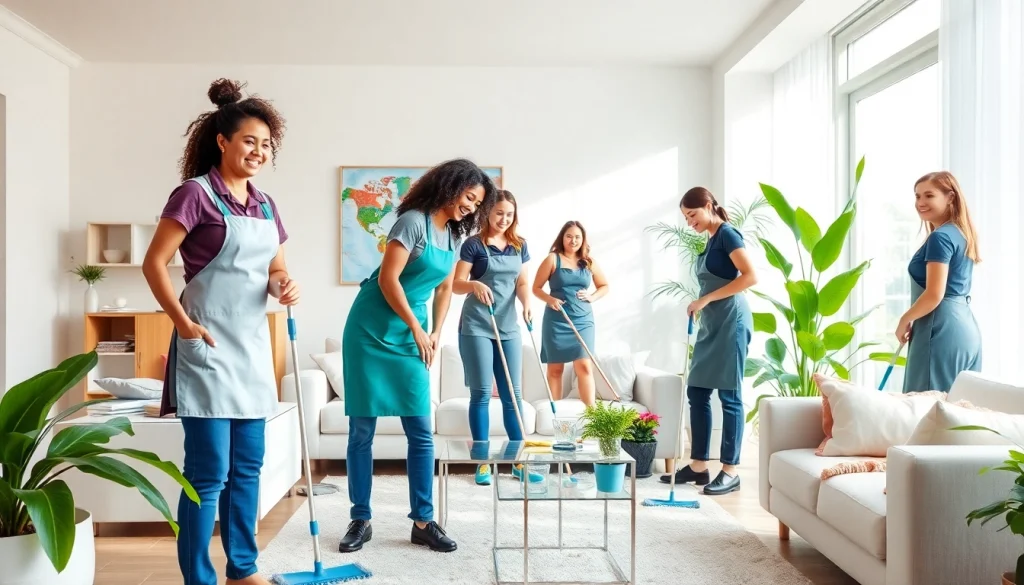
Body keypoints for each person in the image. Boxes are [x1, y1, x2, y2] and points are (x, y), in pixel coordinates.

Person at [143, 78, 298, 585]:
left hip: (251, 350)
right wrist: (183, 324)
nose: (258, 151)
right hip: (205, 348)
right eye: (250, 141)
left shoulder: (266, 205)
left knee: (248, 469)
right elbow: (154, 263)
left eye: (266, 144)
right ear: (223, 141)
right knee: (208, 473)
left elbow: (275, 269)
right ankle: (198, 578)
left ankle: (243, 568)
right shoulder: (195, 194)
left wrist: (283, 285)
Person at [338, 158, 496, 554]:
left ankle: (423, 521)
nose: (471, 208)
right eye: (469, 197)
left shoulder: (453, 236)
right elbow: (388, 279)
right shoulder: (412, 222)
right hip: (370, 329)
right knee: (362, 432)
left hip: (414, 333)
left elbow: (443, 289)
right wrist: (415, 326)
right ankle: (360, 519)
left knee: (421, 431)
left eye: (477, 204)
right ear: (450, 186)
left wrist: (437, 330)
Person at [660, 187, 755, 496]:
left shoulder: (728, 234)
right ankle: (699, 465)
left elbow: (750, 276)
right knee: (698, 391)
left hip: (732, 322)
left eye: (693, 215)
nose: (690, 222)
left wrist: (706, 299)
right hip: (712, 324)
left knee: (730, 395)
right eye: (686, 218)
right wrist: (701, 303)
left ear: (709, 205)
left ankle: (730, 471)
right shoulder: (712, 239)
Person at [453, 189, 533, 486]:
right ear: (487, 212)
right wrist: (473, 285)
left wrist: (526, 303)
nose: (504, 219)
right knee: (482, 394)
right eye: (499, 213)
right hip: (476, 326)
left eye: (509, 214)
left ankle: (519, 462)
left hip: (508, 327)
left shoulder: (519, 245)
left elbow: (522, 282)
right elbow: (456, 284)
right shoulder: (473, 245)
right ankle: (483, 462)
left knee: (513, 395)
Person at [898, 171, 982, 393]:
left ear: (950, 197)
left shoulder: (941, 237)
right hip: (966, 329)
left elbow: (935, 294)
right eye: (917, 196)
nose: (921, 202)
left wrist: (905, 319)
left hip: (939, 329)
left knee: (925, 405)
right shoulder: (961, 234)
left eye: (929, 195)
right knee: (959, 406)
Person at [531, 220, 608, 406]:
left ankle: (591, 415)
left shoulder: (589, 262)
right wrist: (550, 299)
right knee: (555, 370)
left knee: (584, 366)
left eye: (577, 237)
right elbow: (536, 288)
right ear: (562, 238)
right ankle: (554, 415)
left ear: (583, 240)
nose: (573, 240)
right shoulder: (552, 259)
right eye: (569, 236)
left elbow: (604, 286)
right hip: (556, 321)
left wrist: (592, 297)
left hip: (583, 320)